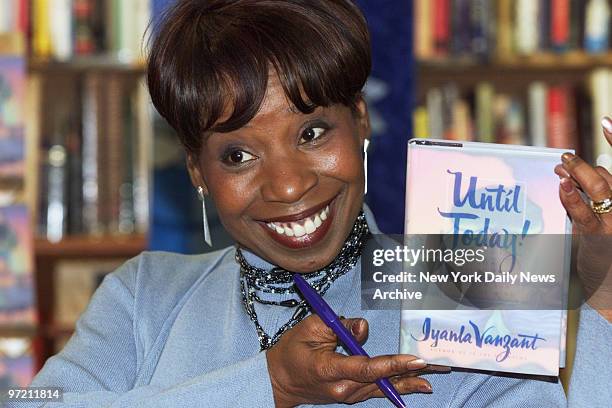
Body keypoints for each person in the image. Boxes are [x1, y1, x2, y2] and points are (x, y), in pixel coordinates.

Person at [16, 1, 612, 407]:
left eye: (312, 134)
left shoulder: (462, 282)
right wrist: (266, 386)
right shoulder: (146, 295)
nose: (287, 187)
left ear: (359, 120)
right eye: (237, 156)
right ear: (197, 169)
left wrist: (608, 301)